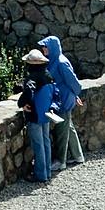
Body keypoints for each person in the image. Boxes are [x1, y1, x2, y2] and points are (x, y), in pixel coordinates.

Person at [39, 35, 86, 170]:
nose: (43, 49)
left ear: (52, 48)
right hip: (61, 99)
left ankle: (61, 161)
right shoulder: (53, 60)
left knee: (61, 130)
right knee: (68, 127)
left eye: (45, 47)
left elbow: (74, 82)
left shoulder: (60, 62)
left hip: (64, 101)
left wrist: (75, 94)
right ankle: (78, 155)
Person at [18, 48, 57, 183]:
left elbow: (29, 90)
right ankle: (47, 172)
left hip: (35, 115)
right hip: (46, 113)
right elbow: (54, 93)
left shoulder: (33, 77)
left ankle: (40, 175)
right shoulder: (48, 75)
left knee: (38, 144)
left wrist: (22, 103)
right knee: (46, 142)